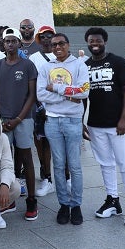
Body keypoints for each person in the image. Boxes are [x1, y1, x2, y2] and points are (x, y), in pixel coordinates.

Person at [84, 27, 125, 226]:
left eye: (98, 40)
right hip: (96, 124)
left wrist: (124, 118)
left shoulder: (117, 62)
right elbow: (82, 95)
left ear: (104, 41)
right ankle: (113, 200)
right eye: (91, 41)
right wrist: (82, 120)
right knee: (105, 164)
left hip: (118, 124)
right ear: (87, 43)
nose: (94, 43)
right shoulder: (86, 65)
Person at [37, 33, 89, 225]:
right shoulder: (46, 67)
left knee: (74, 165)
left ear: (68, 44)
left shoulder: (79, 65)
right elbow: (41, 94)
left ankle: (76, 205)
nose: (57, 47)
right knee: (58, 165)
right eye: (53, 44)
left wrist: (57, 89)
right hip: (52, 122)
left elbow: (84, 91)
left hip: (73, 121)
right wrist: (70, 95)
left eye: (61, 43)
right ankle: (63, 204)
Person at [0, 27, 38, 220]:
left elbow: (32, 95)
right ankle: (8, 199)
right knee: (4, 161)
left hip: (23, 119)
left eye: (13, 41)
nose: (10, 44)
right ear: (3, 44)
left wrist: (18, 118)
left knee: (26, 158)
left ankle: (32, 201)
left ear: (19, 43)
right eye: (6, 41)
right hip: (3, 119)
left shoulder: (28, 65)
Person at [29, 25, 57, 197]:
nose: (47, 39)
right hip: (40, 108)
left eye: (50, 35)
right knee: (43, 144)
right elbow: (31, 83)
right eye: (43, 36)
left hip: (60, 107)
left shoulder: (61, 55)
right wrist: (38, 106)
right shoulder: (34, 58)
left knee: (62, 145)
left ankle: (66, 177)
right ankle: (47, 178)